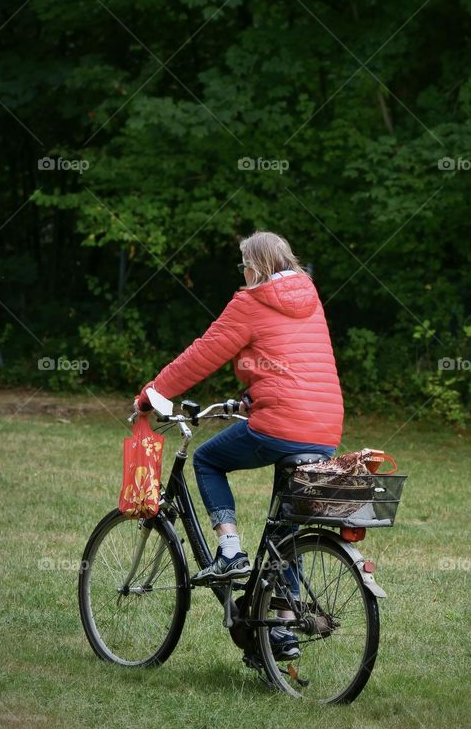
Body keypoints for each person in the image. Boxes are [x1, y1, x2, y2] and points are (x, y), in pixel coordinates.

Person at [134, 231, 344, 658]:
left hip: (280, 424)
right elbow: (293, 362)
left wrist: (151, 393)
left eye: (243, 265)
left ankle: (229, 550)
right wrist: (252, 396)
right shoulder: (308, 296)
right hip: (324, 429)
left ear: (256, 265)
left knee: (208, 458)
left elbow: (202, 354)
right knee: (287, 530)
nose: (242, 272)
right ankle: (281, 631)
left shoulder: (250, 301)